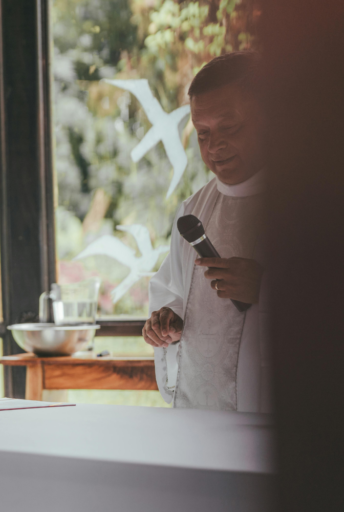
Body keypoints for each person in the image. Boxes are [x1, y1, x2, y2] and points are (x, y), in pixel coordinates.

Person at [144, 52, 271, 412]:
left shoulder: (309, 205)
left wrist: (266, 287)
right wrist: (168, 321)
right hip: (202, 414)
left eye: (229, 128)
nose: (214, 146)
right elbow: (173, 290)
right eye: (203, 133)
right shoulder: (192, 211)